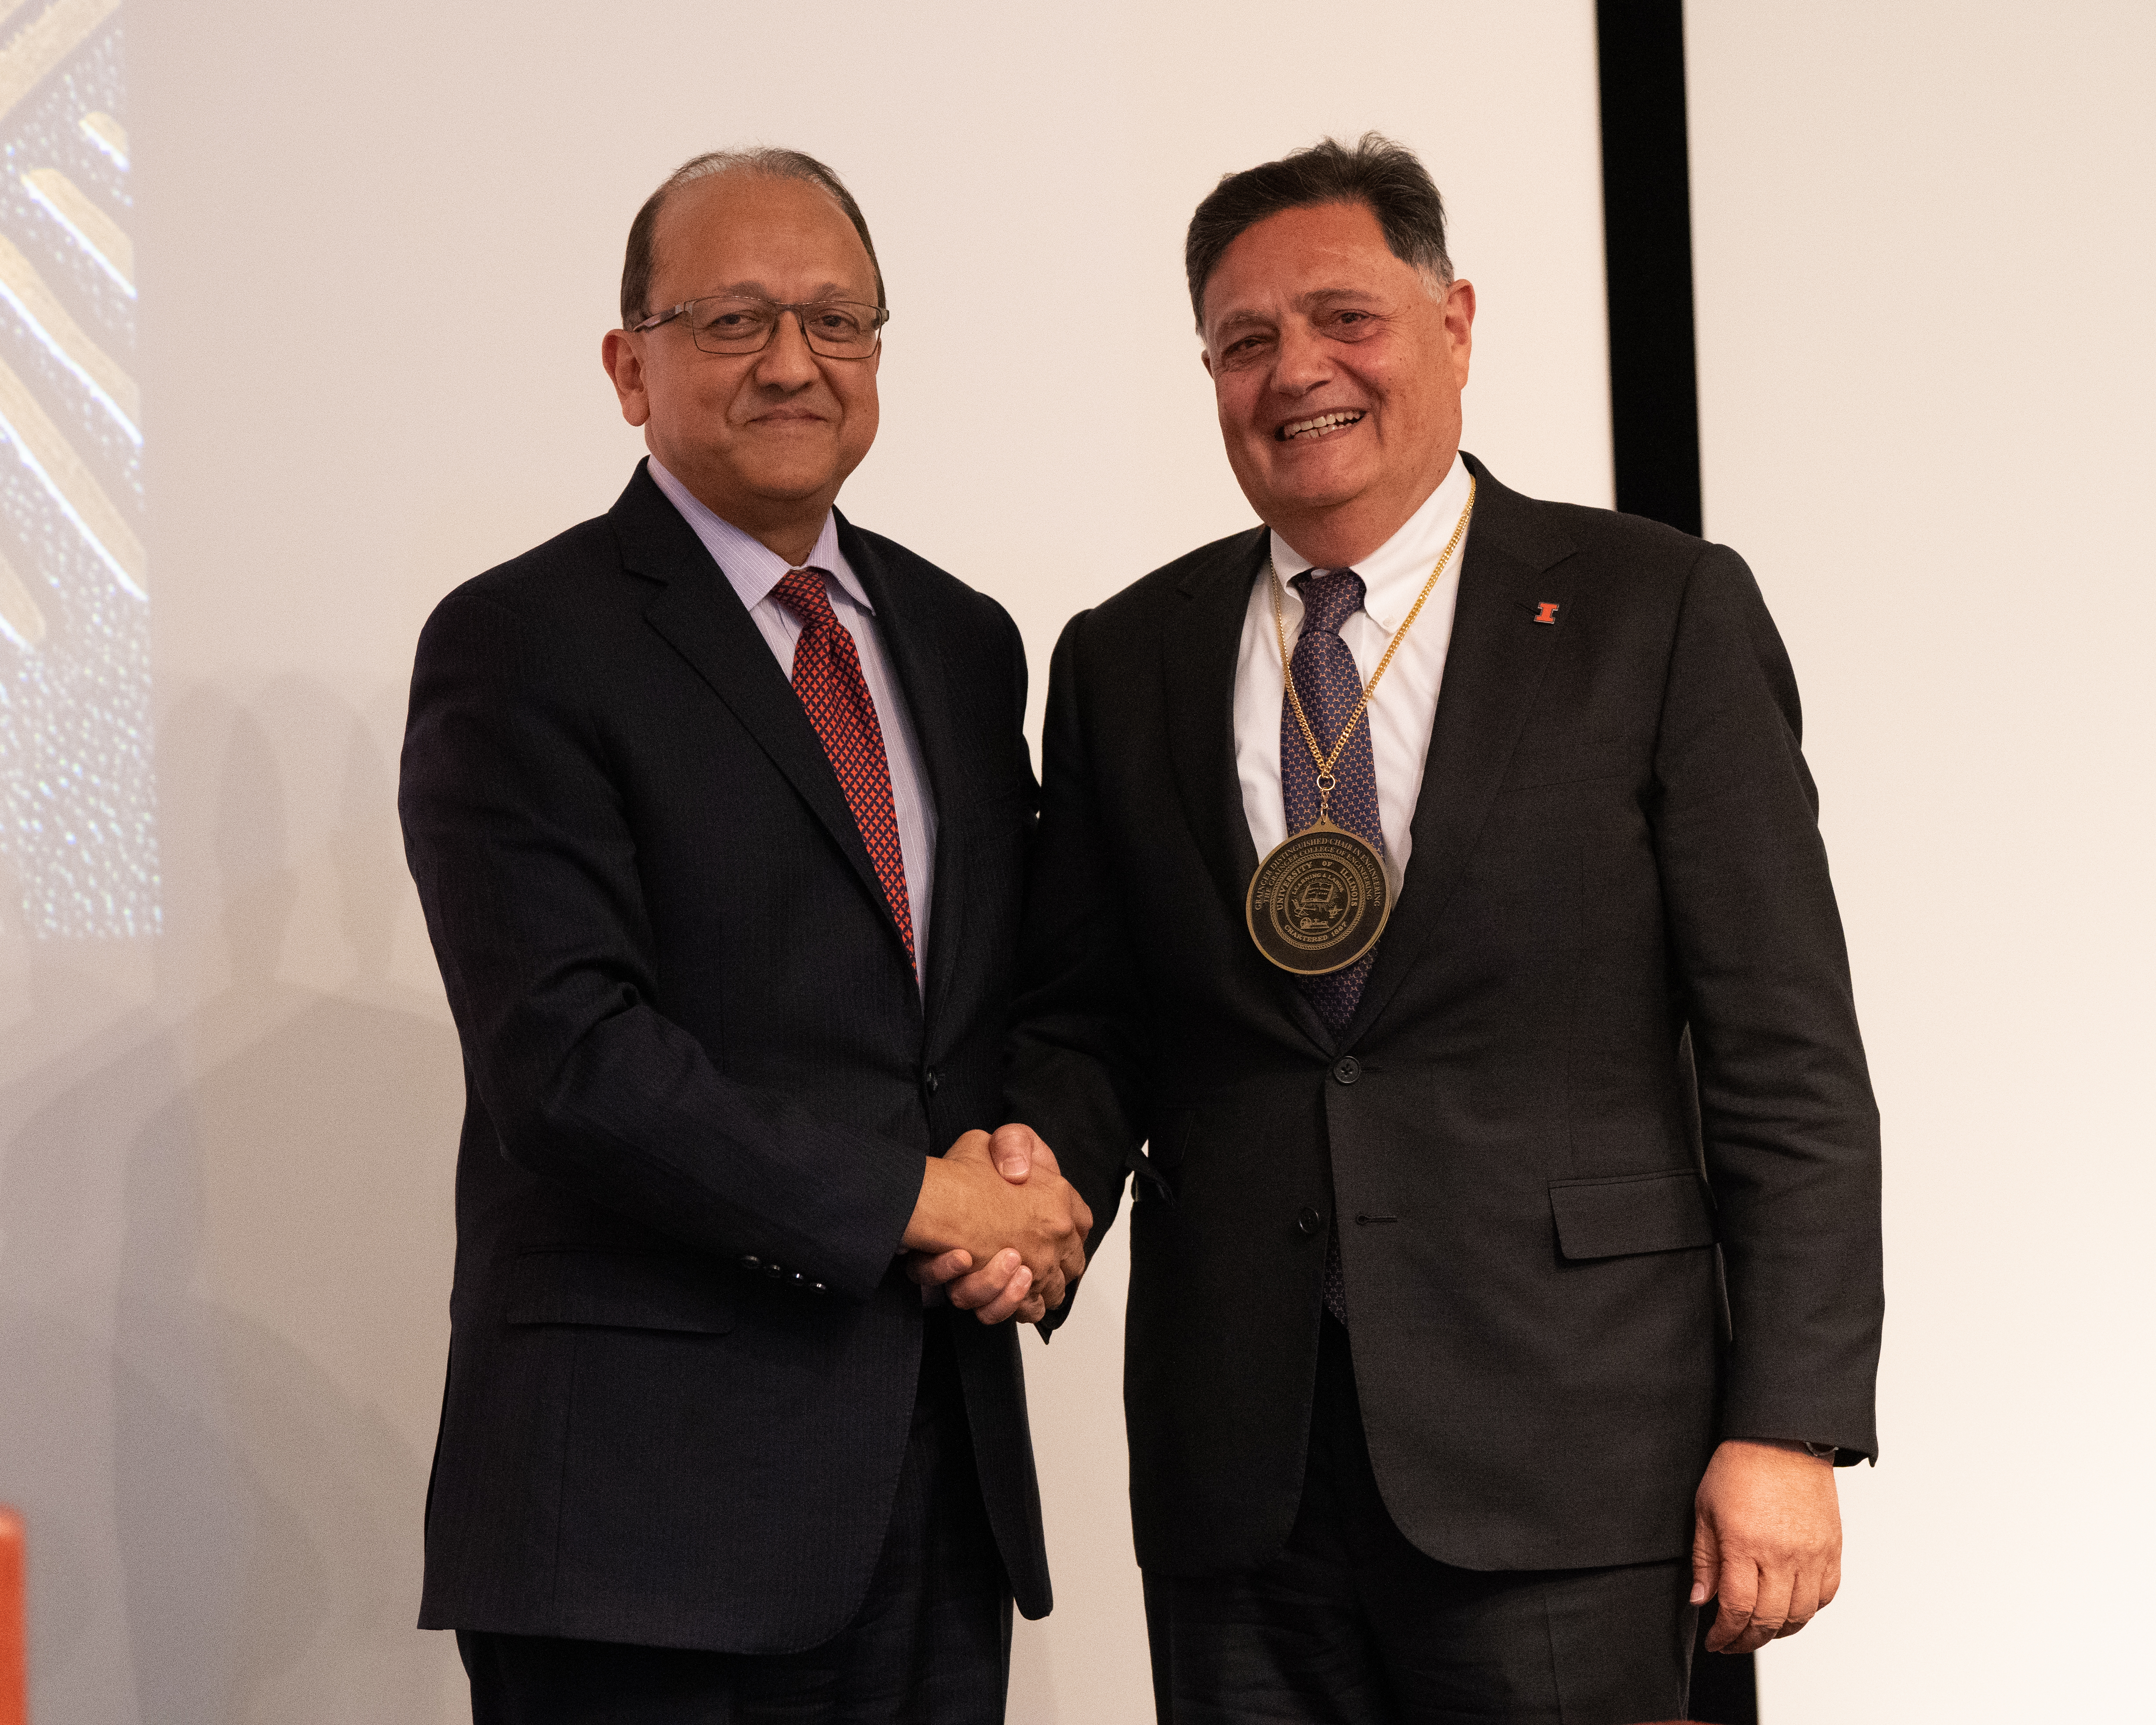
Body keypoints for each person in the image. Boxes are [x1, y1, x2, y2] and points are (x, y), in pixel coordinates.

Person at [1001, 134, 1883, 1724]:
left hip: (1580, 1471)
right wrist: (1036, 1180)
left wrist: (1794, 1428)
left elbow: (1786, 1054)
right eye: (1244, 341)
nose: (1297, 373)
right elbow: (1096, 1019)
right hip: (1242, 1477)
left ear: (1455, 324)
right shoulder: (1124, 656)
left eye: (1345, 318)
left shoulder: (1653, 609)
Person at [398, 146, 1088, 1724]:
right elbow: (567, 1060)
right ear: (626, 366)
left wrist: (1034, 1182)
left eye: (837, 320)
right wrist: (921, 1196)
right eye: (732, 319)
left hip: (933, 1482)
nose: (793, 360)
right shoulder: (519, 642)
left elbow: (1010, 996)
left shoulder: (962, 640)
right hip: (643, 1523)